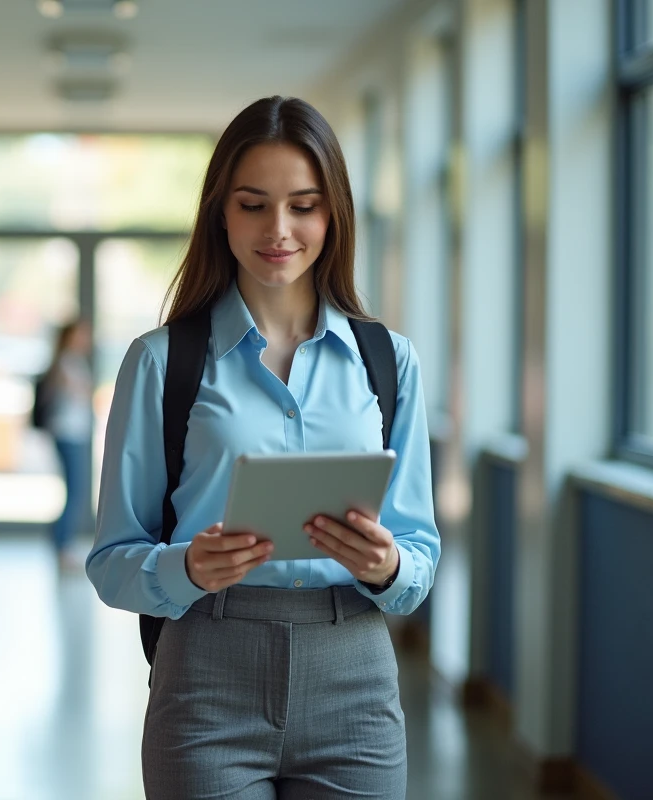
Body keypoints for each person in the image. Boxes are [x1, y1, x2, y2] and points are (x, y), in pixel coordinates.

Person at [86, 96, 440, 799]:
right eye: (253, 204)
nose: (279, 230)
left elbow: (419, 557)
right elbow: (110, 564)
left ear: (332, 214)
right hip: (206, 677)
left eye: (303, 205)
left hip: (356, 682)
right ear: (221, 212)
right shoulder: (162, 362)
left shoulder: (389, 362)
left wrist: (387, 563)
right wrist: (184, 564)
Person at [42, 319, 94, 572]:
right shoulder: (65, 363)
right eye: (81, 334)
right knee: (75, 491)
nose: (86, 339)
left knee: (75, 491)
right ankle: (62, 545)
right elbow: (77, 393)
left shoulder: (75, 361)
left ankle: (61, 541)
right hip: (68, 433)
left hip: (77, 433)